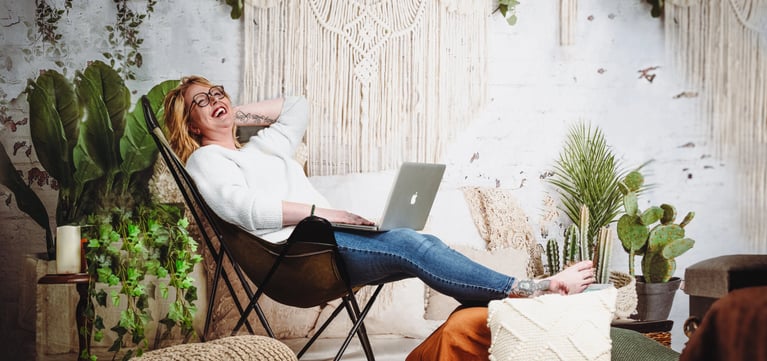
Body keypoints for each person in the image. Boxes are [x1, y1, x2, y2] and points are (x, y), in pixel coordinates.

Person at [162, 75, 596, 311]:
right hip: (299, 257)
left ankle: (504, 303)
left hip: (323, 243)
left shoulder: (264, 148)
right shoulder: (206, 161)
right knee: (410, 244)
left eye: (218, 91)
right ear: (191, 126)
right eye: (202, 101)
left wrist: (231, 112)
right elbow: (244, 209)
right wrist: (327, 215)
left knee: (418, 243)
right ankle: (531, 289)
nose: (215, 98)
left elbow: (297, 106)